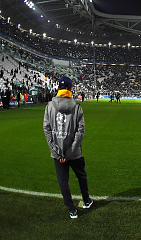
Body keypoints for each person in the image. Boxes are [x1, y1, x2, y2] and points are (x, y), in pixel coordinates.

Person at [43, 76, 93, 219]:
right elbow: (80, 131)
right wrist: (70, 152)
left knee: (63, 182)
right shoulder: (77, 107)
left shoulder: (49, 107)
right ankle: (86, 200)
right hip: (75, 153)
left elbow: (46, 129)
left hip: (57, 154)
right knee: (81, 176)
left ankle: (72, 210)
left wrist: (57, 152)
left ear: (58, 89)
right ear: (71, 89)